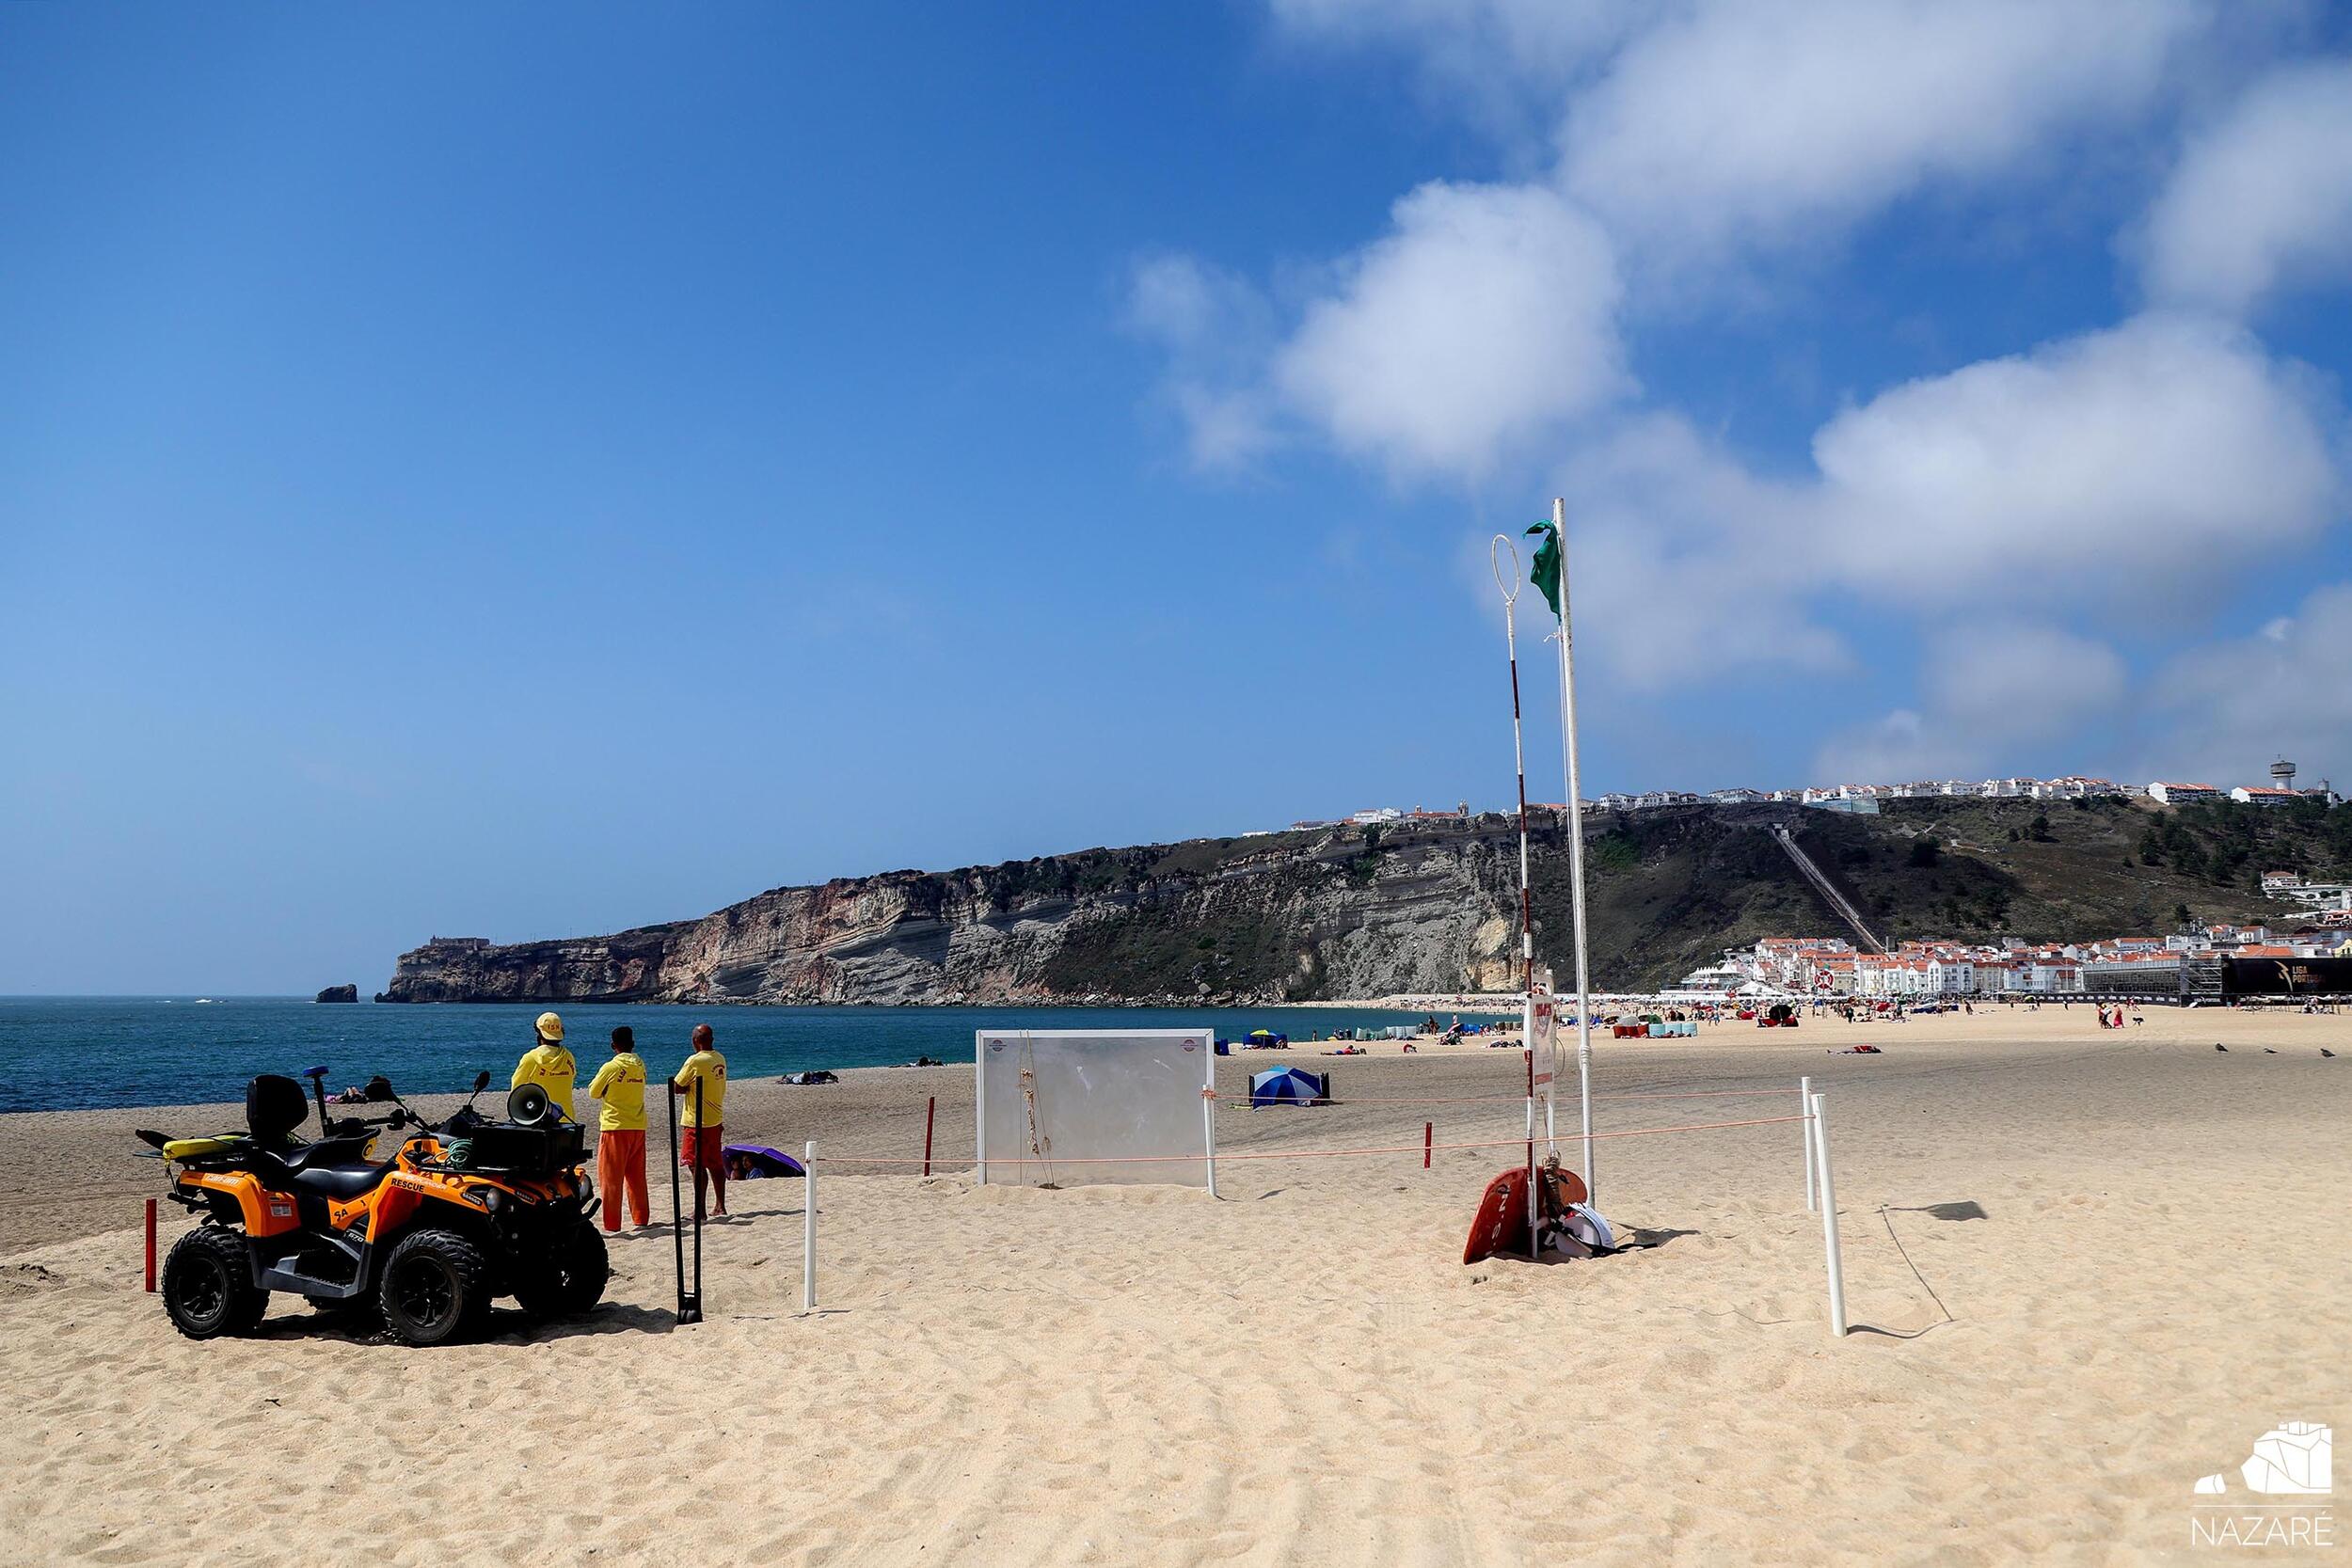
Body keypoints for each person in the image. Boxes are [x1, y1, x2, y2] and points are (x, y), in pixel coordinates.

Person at [587, 1025, 650, 1232]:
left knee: (611, 1180)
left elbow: (594, 1092)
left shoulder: (611, 1067)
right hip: (637, 1125)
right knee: (636, 1177)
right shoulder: (640, 1065)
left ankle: (612, 1224)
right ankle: (640, 1218)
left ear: (613, 1045)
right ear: (632, 1044)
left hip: (615, 1126)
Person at [672, 1022, 729, 1219]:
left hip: (696, 1119)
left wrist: (688, 1088)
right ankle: (720, 1205)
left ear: (696, 1041)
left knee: (696, 1164)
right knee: (715, 1163)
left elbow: (677, 1086)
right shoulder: (719, 1058)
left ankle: (700, 1210)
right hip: (715, 1117)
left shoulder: (695, 1061)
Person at [513, 1011, 577, 1119]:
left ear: (538, 1033)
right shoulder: (568, 1056)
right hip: (567, 1119)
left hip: (539, 1119)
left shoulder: (530, 1058)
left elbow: (516, 1092)